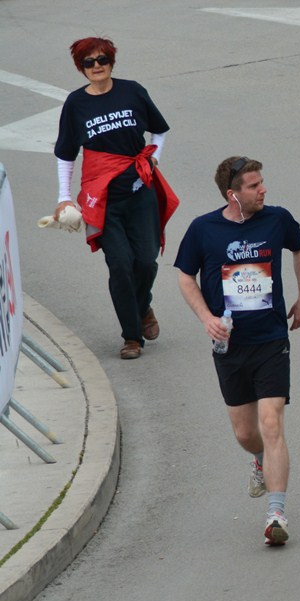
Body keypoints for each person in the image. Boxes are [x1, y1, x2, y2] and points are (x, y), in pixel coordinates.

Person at [174, 157, 300, 546]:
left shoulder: (277, 219)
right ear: (232, 194)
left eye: (262, 182)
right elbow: (185, 275)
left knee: (272, 424)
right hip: (230, 346)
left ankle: (276, 513)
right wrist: (206, 318)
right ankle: (259, 460)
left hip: (271, 340)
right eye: (254, 186)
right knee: (246, 432)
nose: (263, 190)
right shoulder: (203, 229)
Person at [53, 37, 178, 360]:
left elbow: (159, 130)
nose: (97, 66)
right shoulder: (76, 104)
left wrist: (154, 158)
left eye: (102, 59)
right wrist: (64, 197)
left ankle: (143, 305)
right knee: (120, 264)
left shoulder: (132, 91)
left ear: (111, 61)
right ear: (81, 68)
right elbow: (66, 153)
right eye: (89, 62)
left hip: (140, 192)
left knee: (146, 261)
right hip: (103, 200)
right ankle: (132, 337)